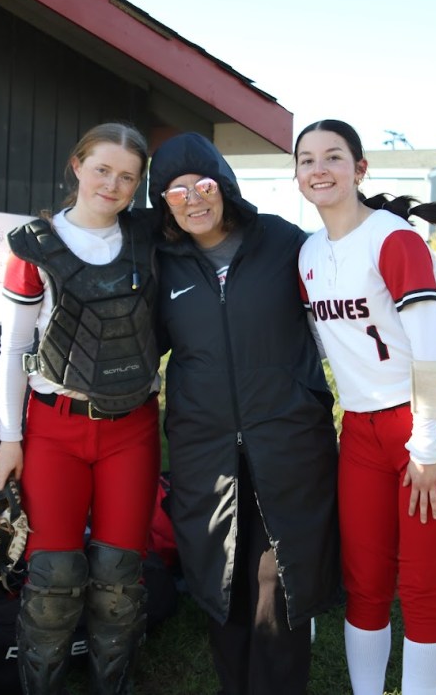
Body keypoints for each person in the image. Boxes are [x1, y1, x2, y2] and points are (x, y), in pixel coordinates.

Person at [148, 132, 341, 695]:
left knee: (278, 583)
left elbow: (346, 288)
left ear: (226, 185)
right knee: (220, 581)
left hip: (287, 443)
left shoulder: (283, 242)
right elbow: (135, 344)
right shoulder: (163, 263)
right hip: (204, 451)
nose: (193, 199)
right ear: (163, 203)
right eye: (177, 191)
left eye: (204, 185)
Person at [0, 122, 161, 695]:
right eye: (102, 169)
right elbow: (14, 347)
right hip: (54, 428)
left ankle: (113, 684)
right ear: (77, 166)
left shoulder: (147, 238)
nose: (112, 185)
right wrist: (9, 436)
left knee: (120, 578)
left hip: (132, 427)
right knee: (53, 576)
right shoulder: (34, 247)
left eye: (127, 177)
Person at [295, 118, 436, 695]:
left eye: (333, 157)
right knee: (364, 583)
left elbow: (432, 353)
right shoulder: (308, 253)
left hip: (424, 420)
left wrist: (427, 446)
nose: (319, 169)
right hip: (360, 428)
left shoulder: (393, 238)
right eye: (307, 160)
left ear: (359, 169)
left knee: (421, 588)